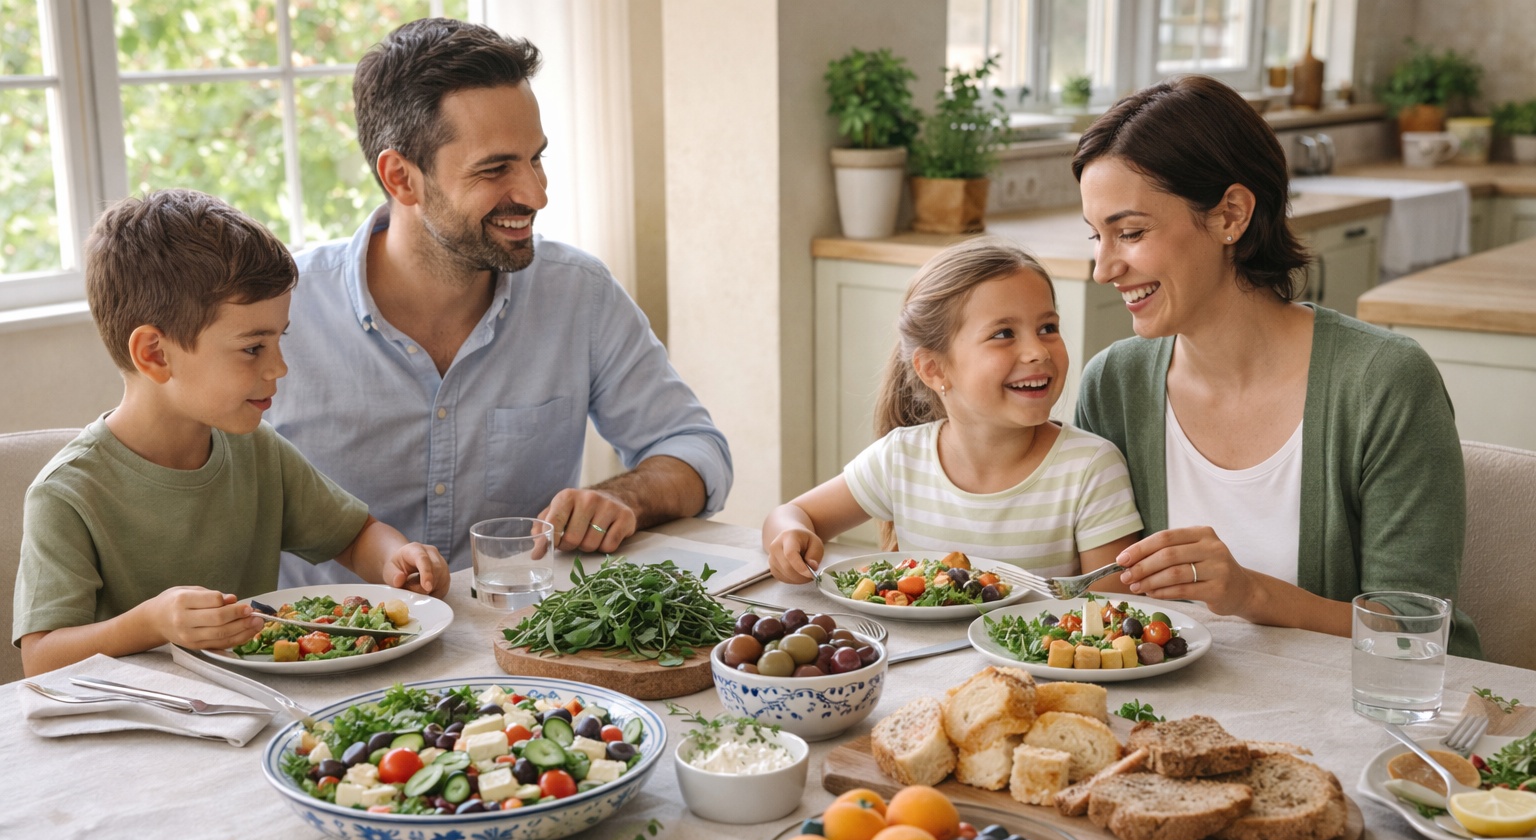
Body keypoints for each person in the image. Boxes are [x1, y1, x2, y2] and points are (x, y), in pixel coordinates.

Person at [268, 18, 731, 586]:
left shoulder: (577, 293)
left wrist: (623, 498)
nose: (536, 194)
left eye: (535, 158)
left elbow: (695, 451)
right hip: (329, 660)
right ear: (401, 178)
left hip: (523, 648)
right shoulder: (279, 315)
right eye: (496, 169)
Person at [1072, 75, 1481, 657]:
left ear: (1230, 215)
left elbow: (1417, 634)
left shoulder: (1383, 383)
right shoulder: (1113, 385)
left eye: (1130, 232)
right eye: (1096, 237)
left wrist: (1249, 594)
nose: (1103, 268)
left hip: (1351, 723)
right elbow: (1103, 611)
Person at [13, 190, 450, 676]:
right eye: (252, 348)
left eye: (279, 339)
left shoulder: (256, 449)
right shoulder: (67, 493)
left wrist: (396, 559)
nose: (279, 368)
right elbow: (41, 657)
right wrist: (151, 623)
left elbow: (352, 536)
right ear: (155, 354)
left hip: (253, 704)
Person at [762, 237, 1143, 584]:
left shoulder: (1090, 468)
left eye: (1047, 327)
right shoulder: (900, 459)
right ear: (934, 369)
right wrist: (790, 536)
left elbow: (1109, 611)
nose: (1038, 351)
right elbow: (791, 514)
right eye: (1003, 334)